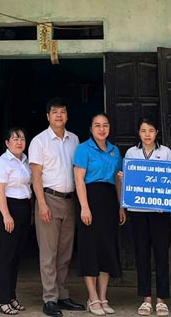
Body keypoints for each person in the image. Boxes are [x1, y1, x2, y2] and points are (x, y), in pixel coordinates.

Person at [29, 98, 86, 317]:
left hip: (70, 201)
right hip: (49, 200)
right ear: (48, 117)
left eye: (62, 112)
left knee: (65, 253)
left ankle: (63, 295)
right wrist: (41, 203)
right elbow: (36, 176)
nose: (59, 115)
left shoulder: (74, 140)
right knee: (48, 253)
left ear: (67, 115)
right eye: (54, 112)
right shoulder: (39, 141)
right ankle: (50, 298)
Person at [73, 113, 125, 316]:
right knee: (90, 248)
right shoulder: (83, 149)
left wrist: (121, 205)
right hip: (90, 201)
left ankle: (103, 297)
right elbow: (79, 179)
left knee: (107, 248)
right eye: (97, 125)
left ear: (109, 128)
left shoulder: (114, 151)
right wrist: (84, 207)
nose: (101, 129)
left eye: (105, 125)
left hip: (110, 202)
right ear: (91, 128)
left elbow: (118, 180)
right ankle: (92, 298)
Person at [124, 118, 171, 317]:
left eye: (151, 130)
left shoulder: (166, 152)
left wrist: (166, 201)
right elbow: (128, 181)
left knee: (162, 255)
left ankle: (161, 299)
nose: (147, 134)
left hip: (160, 213)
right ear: (138, 132)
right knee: (142, 254)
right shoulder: (131, 153)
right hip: (138, 213)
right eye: (143, 130)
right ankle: (146, 298)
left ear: (157, 132)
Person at [0, 127, 33, 315]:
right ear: (7, 143)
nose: (19, 142)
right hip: (8, 209)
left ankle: (11, 296)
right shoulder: (2, 163)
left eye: (22, 138)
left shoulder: (25, 161)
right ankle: (0, 300)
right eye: (15, 139)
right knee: (5, 256)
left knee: (16, 257)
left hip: (23, 208)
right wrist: (7, 215)